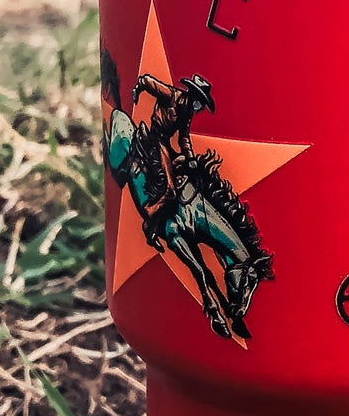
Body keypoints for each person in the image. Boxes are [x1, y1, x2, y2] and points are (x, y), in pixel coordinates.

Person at [104, 62, 269, 340]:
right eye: (199, 103)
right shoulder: (174, 97)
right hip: (153, 141)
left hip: (168, 147)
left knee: (188, 177)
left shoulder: (186, 114)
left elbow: (184, 138)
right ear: (192, 95)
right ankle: (153, 220)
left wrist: (191, 159)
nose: (198, 109)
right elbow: (148, 82)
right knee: (169, 189)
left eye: (201, 105)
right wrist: (138, 88)